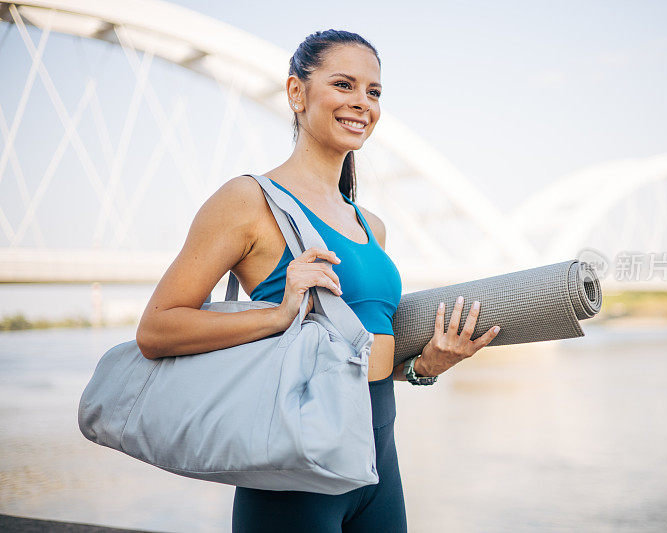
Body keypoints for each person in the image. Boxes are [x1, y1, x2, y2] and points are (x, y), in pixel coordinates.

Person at [135, 29, 501, 533]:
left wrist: (423, 365)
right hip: (294, 473)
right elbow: (156, 331)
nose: (361, 104)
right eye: (344, 85)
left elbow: (348, 355)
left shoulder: (371, 225)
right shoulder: (248, 201)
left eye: (373, 92)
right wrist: (280, 312)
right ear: (296, 92)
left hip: (378, 463)